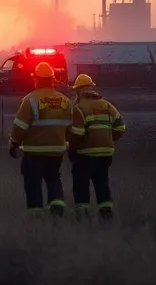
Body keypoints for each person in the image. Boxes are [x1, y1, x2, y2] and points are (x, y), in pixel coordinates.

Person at [8, 61, 84, 215]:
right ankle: (57, 206)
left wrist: (14, 144)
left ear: (36, 79)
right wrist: (66, 141)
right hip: (56, 150)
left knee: (33, 182)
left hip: (33, 152)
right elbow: (71, 127)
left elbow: (19, 127)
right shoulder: (65, 101)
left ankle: (35, 215)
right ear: (52, 79)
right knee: (54, 178)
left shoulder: (30, 100)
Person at [69, 74, 126, 218]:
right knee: (102, 184)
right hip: (106, 153)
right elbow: (121, 128)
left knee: (81, 185)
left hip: (85, 154)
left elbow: (77, 133)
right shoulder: (107, 106)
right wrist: (108, 139)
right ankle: (106, 213)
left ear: (80, 90)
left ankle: (82, 216)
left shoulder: (79, 108)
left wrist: (72, 150)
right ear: (91, 88)